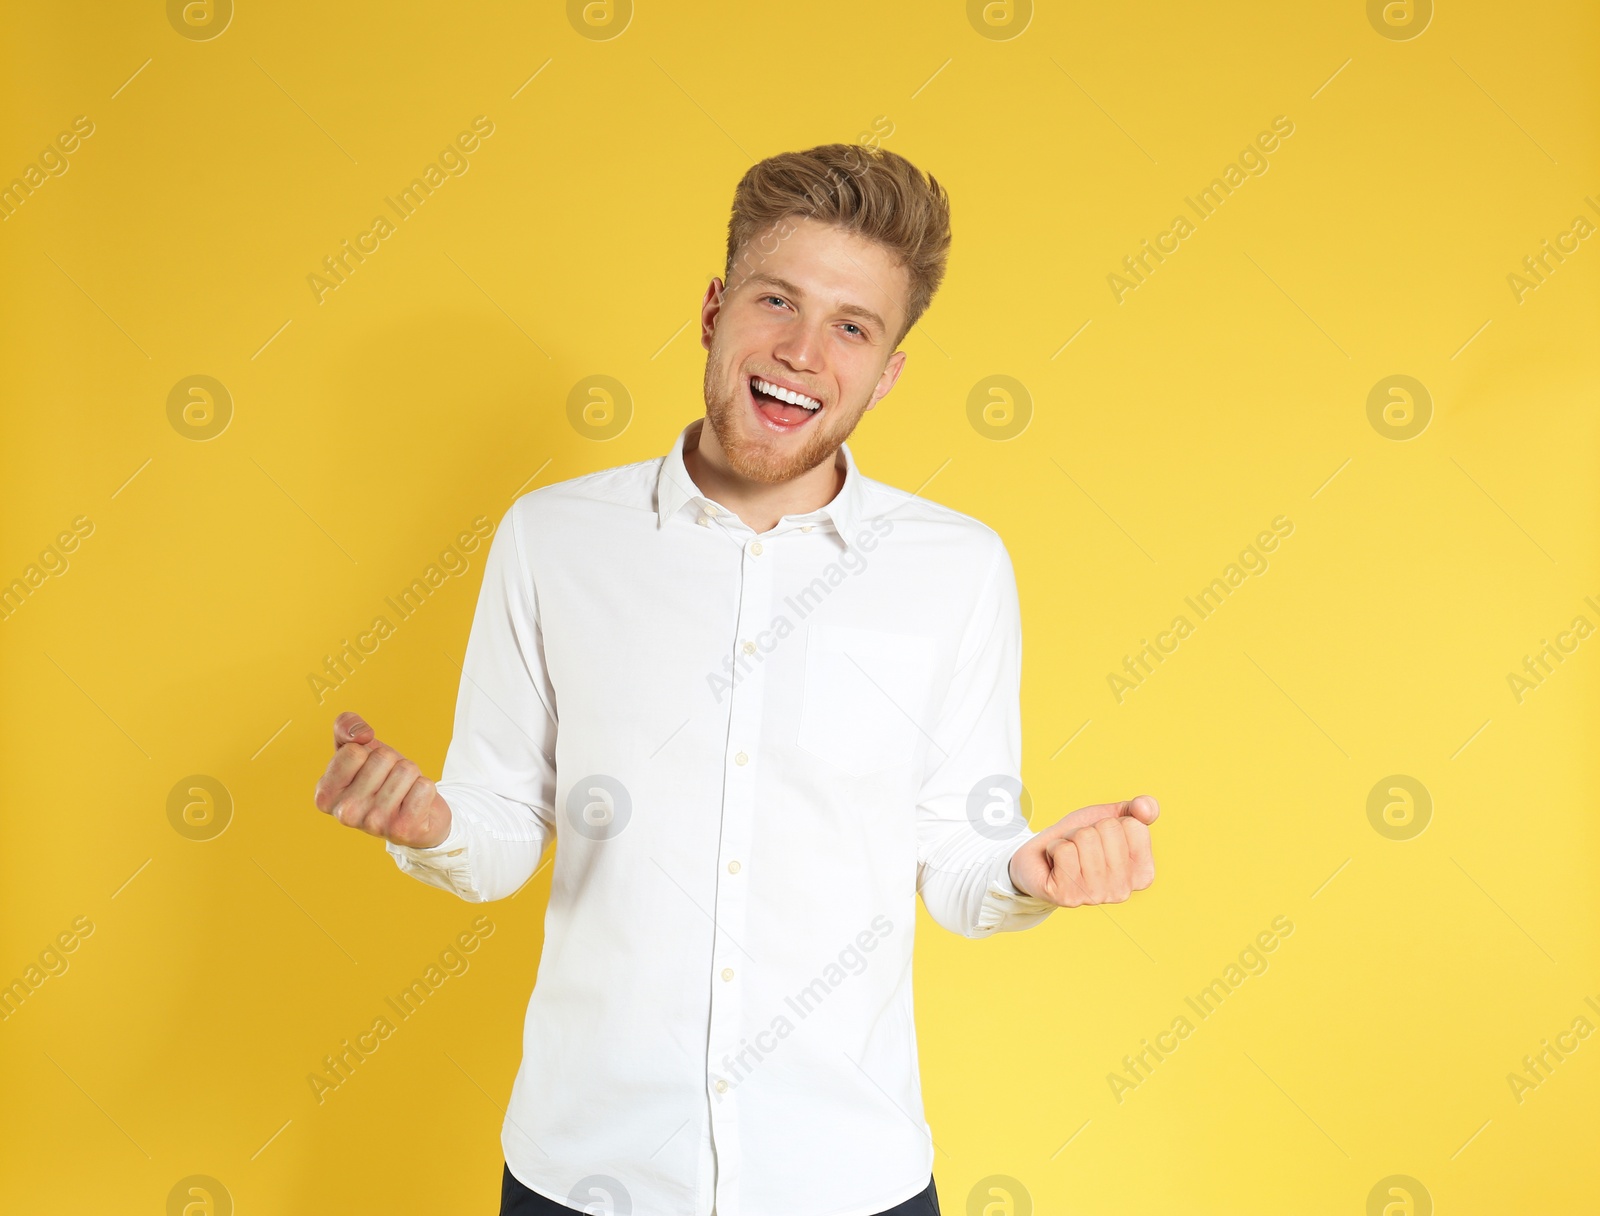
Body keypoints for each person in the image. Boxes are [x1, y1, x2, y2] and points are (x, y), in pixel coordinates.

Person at [312, 143, 1159, 1216]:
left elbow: (958, 858)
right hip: (587, 1171)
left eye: (852, 327)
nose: (802, 351)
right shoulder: (554, 540)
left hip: (849, 1178)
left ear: (889, 368)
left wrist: (1029, 870)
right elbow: (498, 832)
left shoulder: (957, 567)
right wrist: (431, 820)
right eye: (776, 301)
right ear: (715, 308)